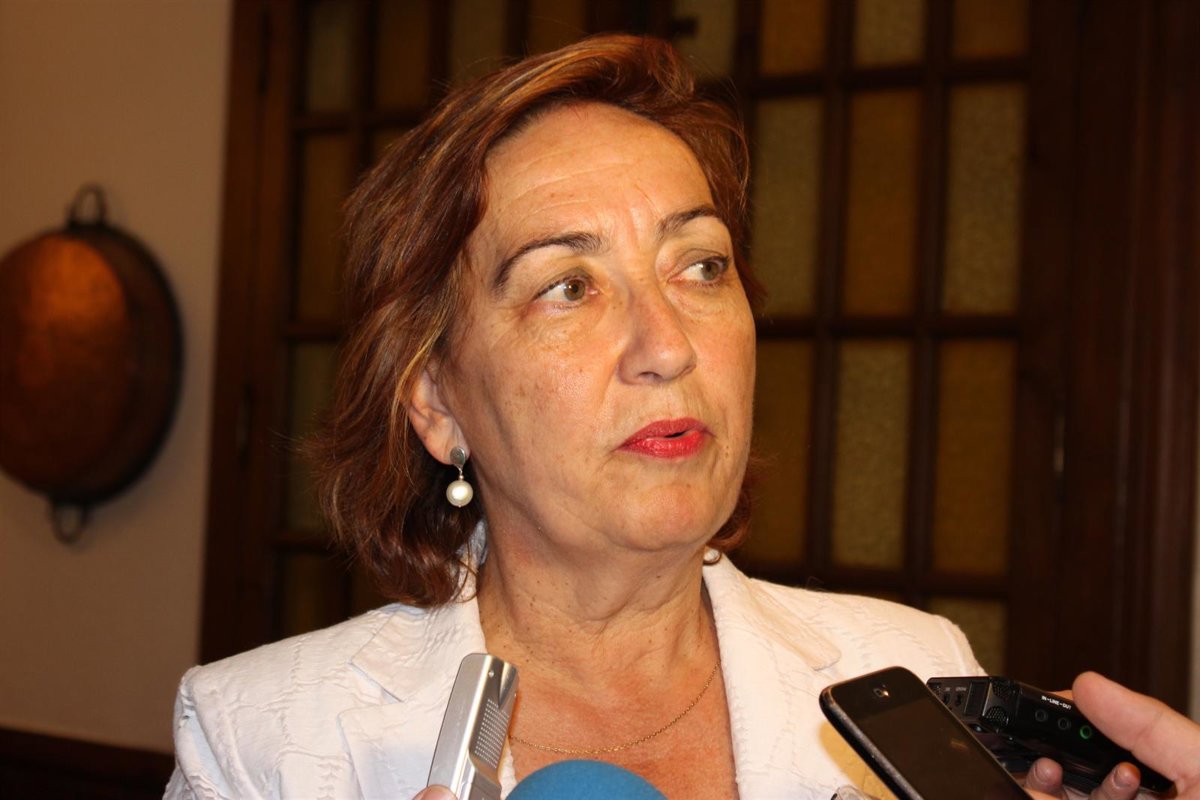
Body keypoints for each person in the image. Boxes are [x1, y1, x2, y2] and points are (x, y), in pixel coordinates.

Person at [164, 34, 1199, 800]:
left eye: (700, 266)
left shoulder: (916, 668)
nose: (666, 343)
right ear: (438, 403)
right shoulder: (264, 740)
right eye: (568, 286)